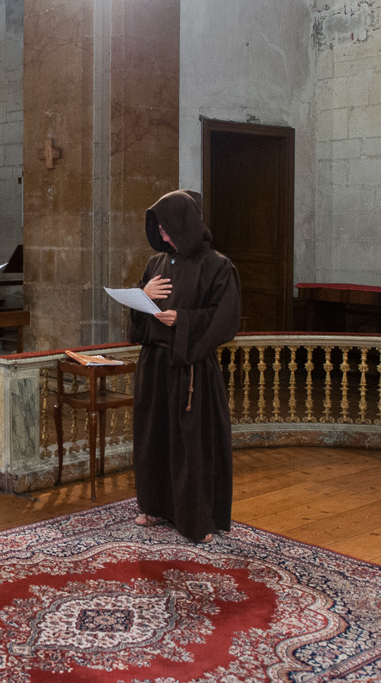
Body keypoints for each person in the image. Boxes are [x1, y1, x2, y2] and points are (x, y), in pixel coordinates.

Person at [129, 189, 241, 544]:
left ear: (185, 225)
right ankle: (156, 505)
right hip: (155, 365)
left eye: (166, 227)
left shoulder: (218, 266)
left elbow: (226, 320)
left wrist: (185, 320)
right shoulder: (155, 265)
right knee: (153, 438)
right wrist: (141, 297)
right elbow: (137, 319)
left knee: (190, 446)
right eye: (158, 228)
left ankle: (196, 518)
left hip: (190, 369)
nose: (162, 234)